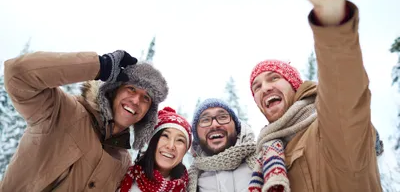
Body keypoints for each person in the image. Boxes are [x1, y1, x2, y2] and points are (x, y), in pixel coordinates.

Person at [247, 0, 384, 192]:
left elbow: (345, 95)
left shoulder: (331, 130)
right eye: (256, 86)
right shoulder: (266, 155)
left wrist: (332, 20)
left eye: (273, 78)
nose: (264, 88)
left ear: (296, 86)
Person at [0, 50, 168, 191]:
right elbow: (17, 75)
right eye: (131, 89)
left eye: (146, 98)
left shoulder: (124, 162)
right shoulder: (61, 110)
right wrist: (99, 66)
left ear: (148, 112)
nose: (136, 101)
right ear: (114, 91)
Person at [188, 98, 257, 192]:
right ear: (196, 134)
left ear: (236, 126)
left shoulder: (264, 159)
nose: (214, 124)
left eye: (223, 117)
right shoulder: (188, 180)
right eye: (205, 120)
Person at [117, 106, 192, 192]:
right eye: (165, 136)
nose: (171, 146)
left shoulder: (189, 187)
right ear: (152, 141)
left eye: (180, 140)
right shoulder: (123, 174)